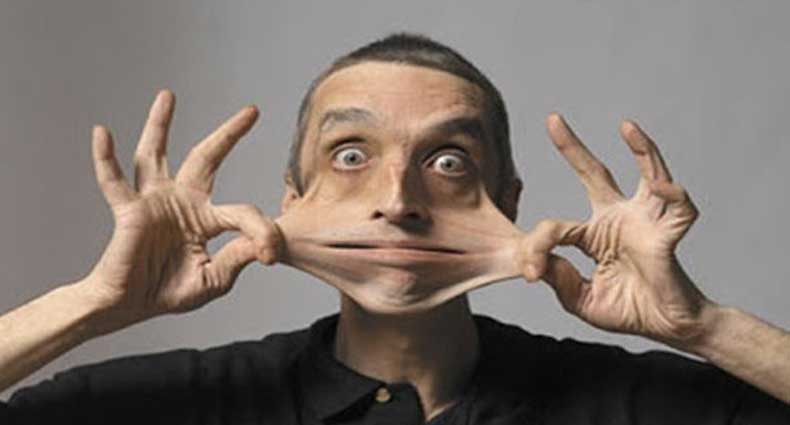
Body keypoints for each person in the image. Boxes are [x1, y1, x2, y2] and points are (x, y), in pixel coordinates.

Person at [0, 32, 788, 424]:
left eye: (447, 160)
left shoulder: (629, 402)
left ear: (508, 201)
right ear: (292, 196)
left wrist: (703, 324)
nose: (398, 198)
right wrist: (94, 303)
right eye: (351, 154)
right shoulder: (188, 401)